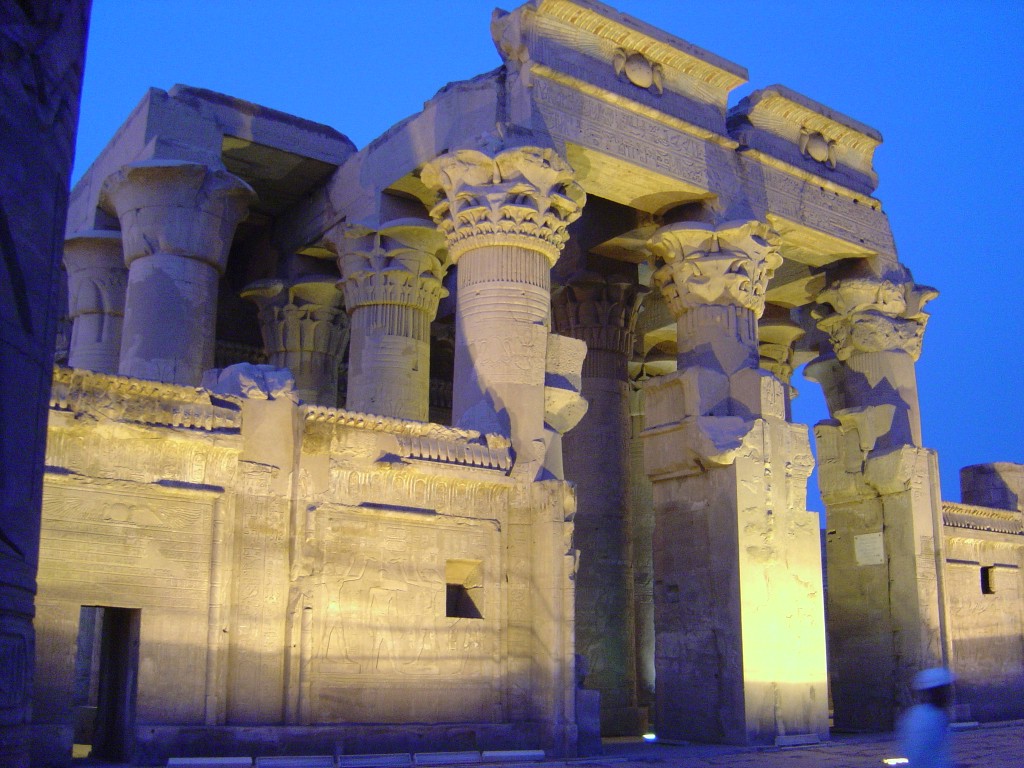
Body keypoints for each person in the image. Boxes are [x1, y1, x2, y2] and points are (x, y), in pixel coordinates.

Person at [898, 667, 955, 768]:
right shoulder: (923, 718)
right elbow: (918, 755)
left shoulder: (936, 714)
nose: (950, 694)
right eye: (945, 690)